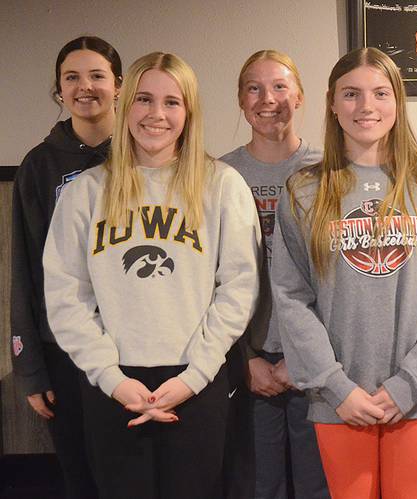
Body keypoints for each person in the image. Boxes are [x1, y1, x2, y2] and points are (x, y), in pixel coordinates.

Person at [42, 51, 260, 499]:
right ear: (124, 106)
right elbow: (65, 296)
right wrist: (112, 378)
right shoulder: (86, 192)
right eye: (143, 99)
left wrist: (193, 377)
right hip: (113, 383)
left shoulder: (222, 184)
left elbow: (239, 288)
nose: (156, 114)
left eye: (172, 102)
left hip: (197, 379)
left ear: (189, 111)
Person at [270, 47, 417, 499]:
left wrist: (409, 382)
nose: (366, 107)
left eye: (380, 93)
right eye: (351, 94)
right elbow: (291, 299)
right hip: (338, 397)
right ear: (330, 103)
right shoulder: (305, 190)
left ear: (398, 102)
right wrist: (335, 385)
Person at [11, 35, 123, 499]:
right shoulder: (38, 166)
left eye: (97, 75)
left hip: (135, 344)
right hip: (66, 351)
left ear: (118, 84)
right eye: (71, 77)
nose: (85, 86)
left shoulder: (148, 158)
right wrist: (31, 368)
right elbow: (25, 269)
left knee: (133, 473)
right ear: (59, 90)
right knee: (84, 478)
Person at [219, 49, 328, 499]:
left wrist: (306, 358)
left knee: (317, 486)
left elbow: (341, 277)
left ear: (299, 96)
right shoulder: (219, 174)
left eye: (280, 86)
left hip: (319, 359)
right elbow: (208, 279)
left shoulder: (329, 171)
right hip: (249, 358)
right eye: (254, 88)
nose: (268, 98)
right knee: (259, 486)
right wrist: (244, 357)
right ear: (241, 101)